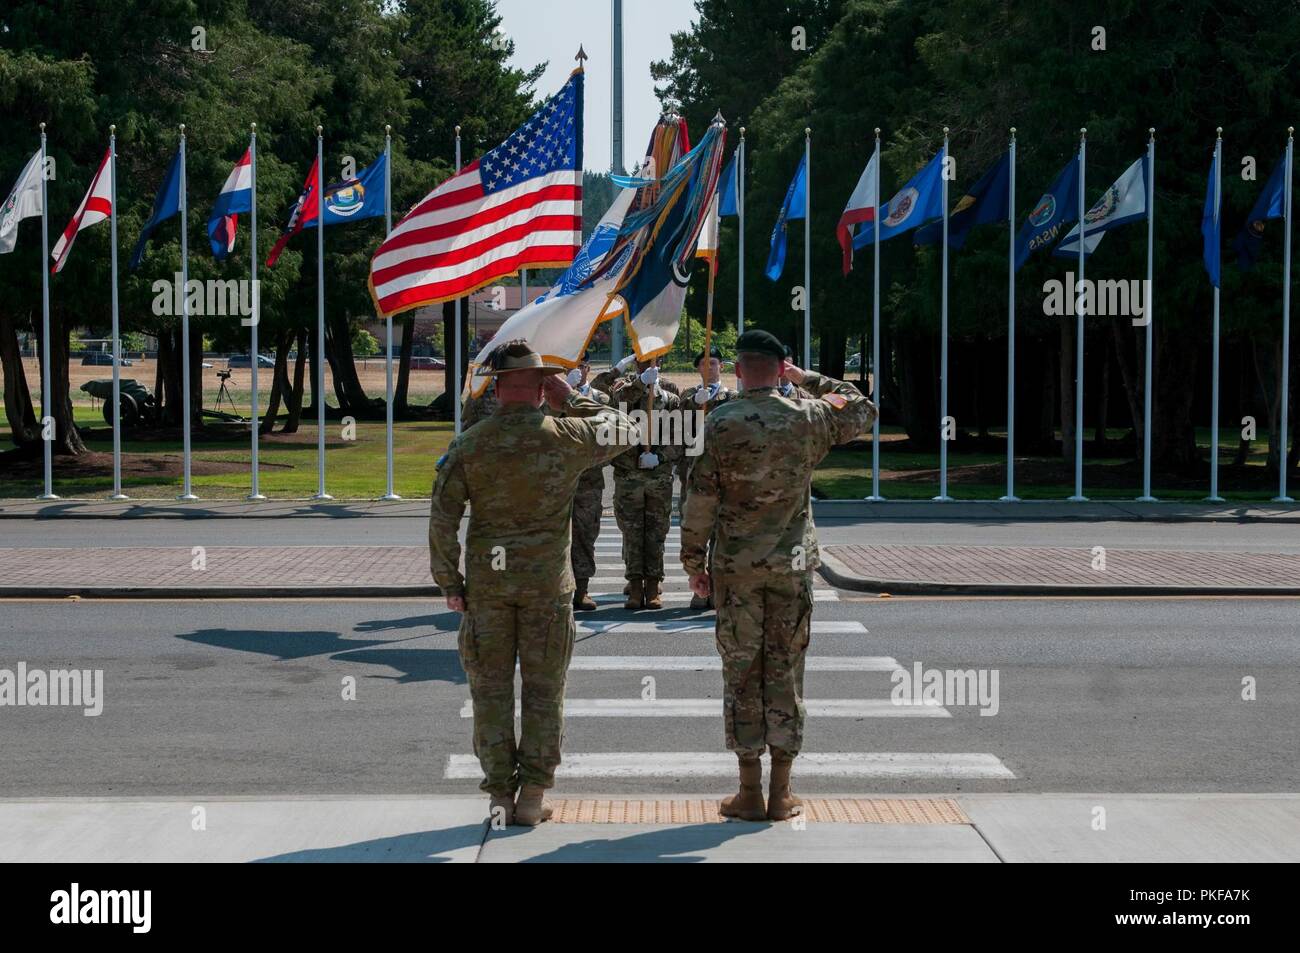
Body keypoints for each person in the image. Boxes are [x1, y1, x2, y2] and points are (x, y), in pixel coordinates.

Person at [428, 340, 633, 826]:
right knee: (545, 691)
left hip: (487, 588)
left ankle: (500, 795)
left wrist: (448, 582)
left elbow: (442, 519)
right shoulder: (564, 436)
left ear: (496, 388)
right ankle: (533, 795)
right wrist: (570, 396)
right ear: (542, 388)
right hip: (548, 588)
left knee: (490, 692)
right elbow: (625, 429)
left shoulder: (470, 444)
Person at [680, 329, 877, 821]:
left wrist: (693, 564)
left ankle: (748, 791)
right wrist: (804, 378)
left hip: (736, 569)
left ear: (740, 370)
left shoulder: (720, 423)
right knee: (786, 671)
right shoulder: (808, 417)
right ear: (780, 367)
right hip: (790, 569)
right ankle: (782, 792)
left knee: (742, 671)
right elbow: (860, 405)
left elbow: (699, 500)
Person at [609, 355, 682, 610]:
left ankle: (653, 584)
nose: (647, 364)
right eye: (641, 360)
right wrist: (641, 382)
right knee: (632, 532)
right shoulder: (623, 387)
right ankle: (635, 584)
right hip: (629, 476)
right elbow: (618, 402)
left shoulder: (670, 398)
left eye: (652, 360)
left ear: (660, 361)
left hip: (658, 477)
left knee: (656, 532)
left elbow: (680, 439)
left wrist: (660, 456)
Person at [676, 344, 734, 609]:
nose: (709, 368)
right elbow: (675, 430)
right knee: (695, 533)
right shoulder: (687, 397)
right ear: (698, 368)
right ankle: (698, 585)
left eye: (714, 363)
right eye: (704, 364)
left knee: (721, 536)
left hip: (723, 477)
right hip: (694, 475)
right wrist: (692, 403)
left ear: (721, 367)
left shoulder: (733, 398)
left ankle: (717, 590)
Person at [565, 353, 609, 611]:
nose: (577, 370)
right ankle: (558, 588)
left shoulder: (600, 398)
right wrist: (565, 393)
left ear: (588, 368)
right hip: (559, 479)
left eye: (581, 365)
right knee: (556, 537)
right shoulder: (554, 398)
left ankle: (582, 590)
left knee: (585, 535)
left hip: (589, 480)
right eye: (572, 366)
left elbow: (606, 435)